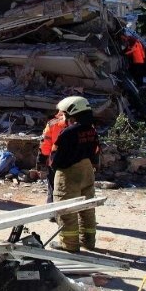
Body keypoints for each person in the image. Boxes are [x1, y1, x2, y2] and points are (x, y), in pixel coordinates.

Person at [50, 96, 100, 252]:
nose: (63, 117)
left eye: (64, 114)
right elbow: (95, 152)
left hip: (68, 174)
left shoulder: (68, 132)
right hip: (87, 171)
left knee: (66, 209)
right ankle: (88, 241)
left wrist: (53, 168)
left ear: (73, 114)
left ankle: (69, 245)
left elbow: (56, 156)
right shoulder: (91, 130)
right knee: (87, 207)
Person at [38, 108, 66, 205]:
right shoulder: (82, 124)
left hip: (55, 161)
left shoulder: (52, 124)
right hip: (75, 162)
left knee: (53, 187)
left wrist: (42, 161)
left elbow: (45, 144)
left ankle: (52, 212)